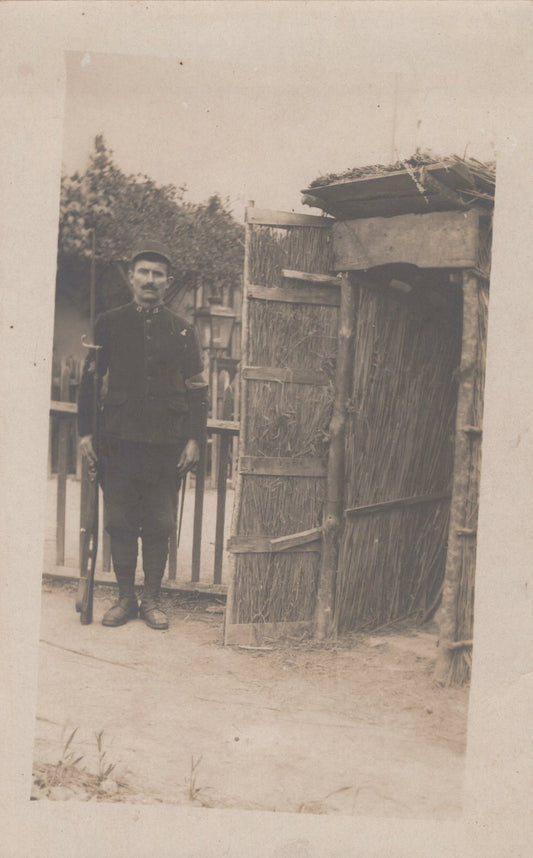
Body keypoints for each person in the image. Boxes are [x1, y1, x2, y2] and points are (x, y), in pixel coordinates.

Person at [78, 240, 208, 630]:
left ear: (167, 282)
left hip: (166, 445)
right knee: (119, 521)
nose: (150, 280)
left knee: (159, 523)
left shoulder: (183, 331)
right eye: (144, 272)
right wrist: (86, 433)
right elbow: (89, 381)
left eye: (158, 274)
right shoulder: (109, 323)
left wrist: (194, 439)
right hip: (116, 442)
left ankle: (151, 600)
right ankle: (125, 599)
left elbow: (198, 388)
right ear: (132, 277)